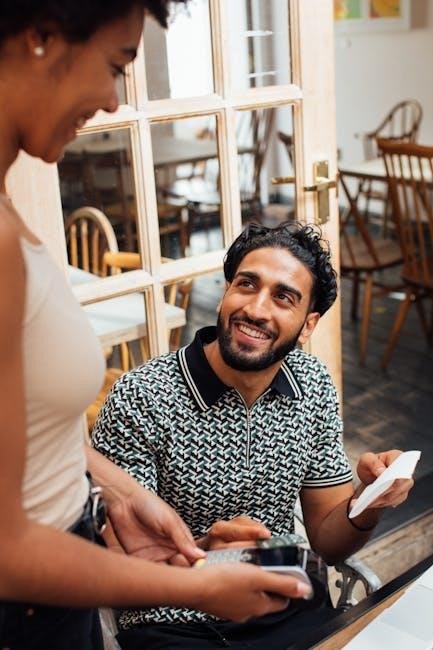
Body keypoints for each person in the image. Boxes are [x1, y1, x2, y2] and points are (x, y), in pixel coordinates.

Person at [0, 4, 309, 649]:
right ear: (39, 37)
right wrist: (196, 588)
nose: (114, 101)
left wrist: (115, 491)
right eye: (115, 65)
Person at [93, 221, 415, 649]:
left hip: (284, 599)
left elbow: (328, 541)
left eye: (284, 297)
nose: (257, 309)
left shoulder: (313, 385)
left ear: (308, 325)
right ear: (225, 292)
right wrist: (202, 559)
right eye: (247, 284)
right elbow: (114, 567)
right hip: (172, 616)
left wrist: (368, 501)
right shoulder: (141, 396)